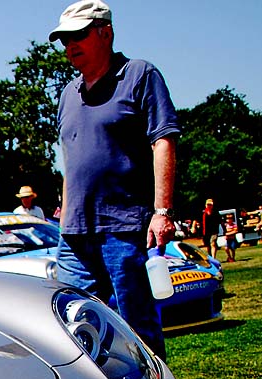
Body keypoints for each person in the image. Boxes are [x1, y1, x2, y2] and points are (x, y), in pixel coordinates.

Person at [50, 0, 178, 360]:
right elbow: (71, 161)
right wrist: (64, 216)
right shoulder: (67, 95)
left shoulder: (140, 75)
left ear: (105, 32)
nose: (70, 46)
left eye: (78, 36)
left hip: (124, 229)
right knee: (69, 325)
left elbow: (164, 140)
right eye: (64, 40)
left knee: (138, 330)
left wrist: (162, 210)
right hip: (74, 236)